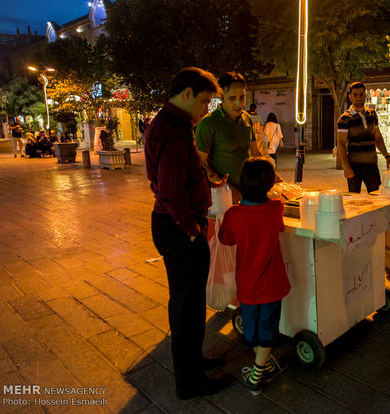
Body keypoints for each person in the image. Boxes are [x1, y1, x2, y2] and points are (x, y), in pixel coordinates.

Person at [145, 67, 230, 400]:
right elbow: (169, 189)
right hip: (178, 229)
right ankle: (189, 382)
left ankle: (195, 362)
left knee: (190, 305)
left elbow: (179, 176)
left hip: (178, 226)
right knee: (186, 307)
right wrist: (192, 230)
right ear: (187, 94)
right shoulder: (172, 129)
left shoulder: (175, 125)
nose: (206, 108)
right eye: (205, 101)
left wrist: (204, 181)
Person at [218, 157, 290, 395]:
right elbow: (279, 227)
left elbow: (225, 239)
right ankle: (260, 372)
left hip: (248, 284)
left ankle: (258, 371)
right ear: (269, 185)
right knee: (268, 328)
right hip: (272, 283)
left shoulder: (234, 214)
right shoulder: (276, 207)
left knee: (252, 330)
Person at [195, 72, 265, 202]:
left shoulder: (247, 118)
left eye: (242, 98)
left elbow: (255, 153)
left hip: (248, 193)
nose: (239, 104)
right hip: (222, 197)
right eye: (232, 99)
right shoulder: (208, 123)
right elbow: (200, 163)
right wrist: (226, 188)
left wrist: (271, 176)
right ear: (221, 98)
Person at [337, 81, 390, 193]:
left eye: (361, 94)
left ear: (365, 95)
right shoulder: (344, 119)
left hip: (372, 166)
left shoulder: (372, 115)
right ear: (350, 96)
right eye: (355, 95)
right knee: (354, 201)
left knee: (377, 198)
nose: (359, 97)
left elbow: (378, 138)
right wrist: (346, 166)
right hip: (354, 167)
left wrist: (387, 157)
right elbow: (341, 144)